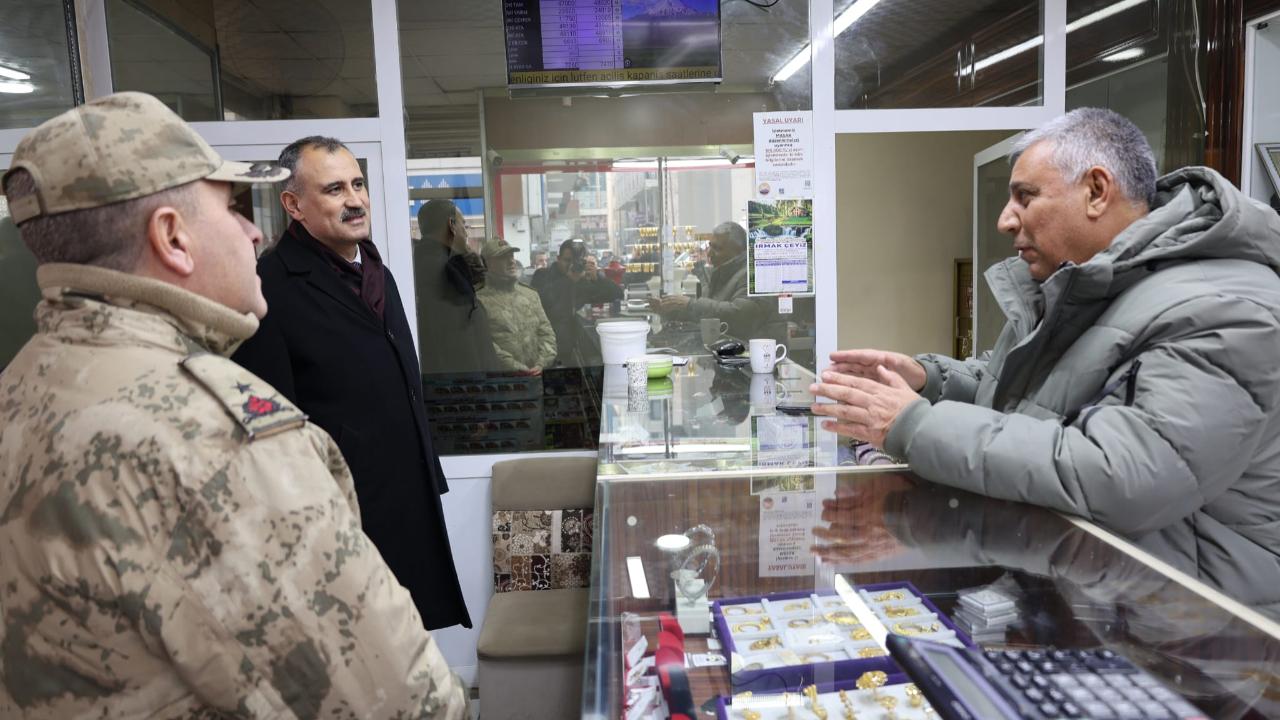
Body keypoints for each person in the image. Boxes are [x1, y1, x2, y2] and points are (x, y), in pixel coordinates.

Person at [0, 93, 467, 716]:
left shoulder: (20, 387)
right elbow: (384, 693)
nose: (251, 230)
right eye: (227, 206)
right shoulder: (213, 433)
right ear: (171, 235)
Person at [810, 108, 1280, 616]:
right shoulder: (1082, 282)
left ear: (1097, 191)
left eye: (1025, 196)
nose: (1005, 219)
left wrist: (913, 425)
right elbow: (1027, 388)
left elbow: (1122, 475)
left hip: (1206, 641)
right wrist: (930, 381)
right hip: (1093, 604)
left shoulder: (1227, 308)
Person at [231, 137, 471, 632]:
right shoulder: (270, 287)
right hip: (340, 513)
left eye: (358, 184)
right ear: (293, 205)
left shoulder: (377, 270)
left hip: (407, 491)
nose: (356, 200)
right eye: (335, 189)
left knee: (408, 632)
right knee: (361, 649)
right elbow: (268, 429)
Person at [650, 221, 783, 342]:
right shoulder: (722, 273)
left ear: (737, 251)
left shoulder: (756, 275)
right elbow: (707, 315)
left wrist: (690, 304)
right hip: (730, 352)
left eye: (717, 248)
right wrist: (670, 310)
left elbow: (740, 315)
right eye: (710, 247)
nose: (709, 254)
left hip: (755, 357)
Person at [414, 198, 500, 375]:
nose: (466, 233)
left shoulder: (426, 263)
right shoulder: (443, 270)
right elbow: (459, 339)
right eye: (464, 225)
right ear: (451, 224)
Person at [531, 237, 622, 366]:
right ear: (558, 259)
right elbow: (542, 301)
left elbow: (617, 296)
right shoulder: (543, 275)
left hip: (584, 350)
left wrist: (598, 279)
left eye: (577, 261)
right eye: (567, 260)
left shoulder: (586, 279)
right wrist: (569, 280)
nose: (572, 265)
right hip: (552, 349)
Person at [476, 236, 557, 374]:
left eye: (511, 255)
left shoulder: (530, 295)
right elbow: (483, 342)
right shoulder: (478, 299)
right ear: (487, 263)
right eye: (502, 257)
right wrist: (515, 367)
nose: (511, 261)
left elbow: (546, 333)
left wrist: (542, 363)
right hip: (502, 381)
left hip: (537, 376)